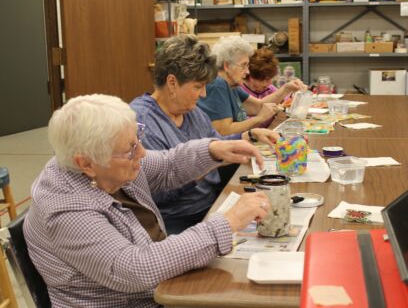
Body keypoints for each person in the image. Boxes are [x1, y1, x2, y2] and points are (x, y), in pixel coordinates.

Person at [23, 94, 270, 308]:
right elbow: (136, 269)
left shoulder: (107, 165)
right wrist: (227, 223)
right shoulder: (66, 209)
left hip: (159, 290)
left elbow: (167, 165)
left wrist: (214, 150)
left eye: (138, 139)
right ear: (85, 163)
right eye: (130, 148)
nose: (140, 152)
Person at [130, 35, 280, 234]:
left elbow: (218, 145)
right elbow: (155, 193)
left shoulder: (192, 112)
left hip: (211, 206)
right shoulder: (142, 122)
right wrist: (203, 161)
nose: (203, 95)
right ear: (172, 83)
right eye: (198, 87)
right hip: (177, 223)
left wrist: (248, 136)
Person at [197, 36, 306, 135]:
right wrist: (259, 119)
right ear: (226, 65)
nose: (247, 71)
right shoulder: (217, 85)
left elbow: (258, 106)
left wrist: (286, 89)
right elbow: (224, 131)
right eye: (243, 65)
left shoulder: (231, 85)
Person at [240, 47, 307, 128]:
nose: (268, 83)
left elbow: (286, 103)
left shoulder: (269, 88)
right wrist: (286, 89)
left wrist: (295, 94)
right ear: (250, 76)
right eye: (264, 80)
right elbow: (245, 125)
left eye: (270, 78)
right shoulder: (240, 91)